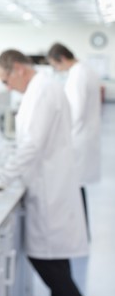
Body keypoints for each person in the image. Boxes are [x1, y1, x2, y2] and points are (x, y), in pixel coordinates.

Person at [0, 49, 94, 296]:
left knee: (45, 258)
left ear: (18, 68)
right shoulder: (40, 89)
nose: (8, 87)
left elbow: (32, 145)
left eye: (6, 80)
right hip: (50, 185)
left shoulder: (43, 91)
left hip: (51, 190)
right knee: (57, 261)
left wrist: (3, 175)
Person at [47, 42, 101, 235]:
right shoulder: (86, 69)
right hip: (84, 137)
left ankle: (78, 232)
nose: (57, 70)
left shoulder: (78, 74)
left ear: (61, 58)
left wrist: (58, 135)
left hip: (78, 139)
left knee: (74, 187)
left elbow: (75, 112)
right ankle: (81, 231)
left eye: (56, 66)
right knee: (78, 186)